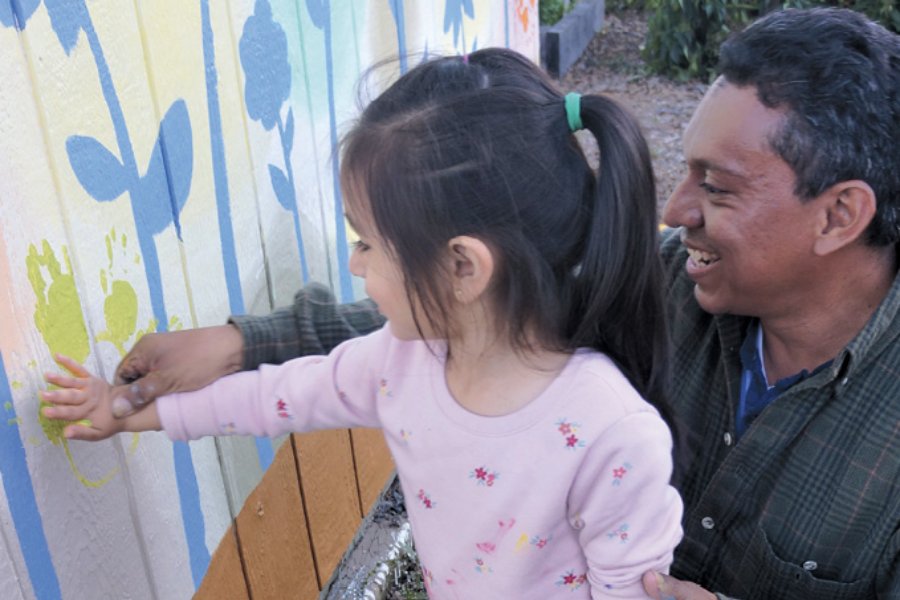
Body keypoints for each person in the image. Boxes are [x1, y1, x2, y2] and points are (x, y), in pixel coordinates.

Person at [52, 7, 900, 599]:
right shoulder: (649, 286)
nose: (673, 213)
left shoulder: (609, 423)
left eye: (714, 188)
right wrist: (233, 348)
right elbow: (417, 340)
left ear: (840, 215)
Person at [41, 48, 684, 598]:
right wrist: (126, 411)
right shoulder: (401, 362)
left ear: (463, 267)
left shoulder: (612, 435)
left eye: (368, 243)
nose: (352, 264)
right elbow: (275, 397)